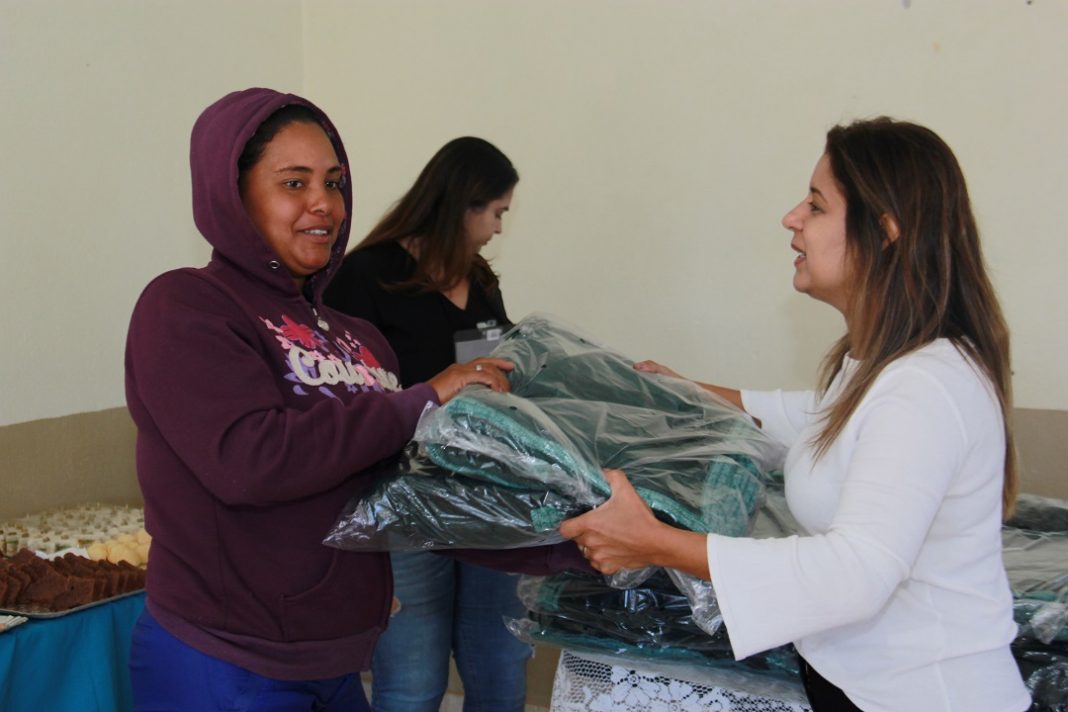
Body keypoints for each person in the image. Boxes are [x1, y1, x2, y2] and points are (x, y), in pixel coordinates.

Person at [125, 88, 584, 712]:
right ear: (232, 194)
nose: (324, 203)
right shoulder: (186, 307)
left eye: (334, 182)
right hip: (227, 658)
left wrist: (571, 533)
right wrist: (422, 399)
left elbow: (403, 493)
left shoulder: (357, 339)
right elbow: (250, 460)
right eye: (294, 182)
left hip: (336, 659)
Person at [560, 118, 1031, 712]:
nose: (791, 218)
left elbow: (855, 572)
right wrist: (681, 390)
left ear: (883, 233)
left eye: (816, 205)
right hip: (860, 684)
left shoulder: (927, 385)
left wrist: (654, 542)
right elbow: (801, 420)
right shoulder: (873, 368)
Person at [324, 137, 528, 712]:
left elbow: (496, 367)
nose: (498, 227)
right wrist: (441, 381)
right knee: (413, 679)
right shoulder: (366, 276)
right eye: (496, 212)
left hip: (489, 497)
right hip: (406, 499)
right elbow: (348, 394)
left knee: (501, 664)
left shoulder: (481, 280)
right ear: (460, 204)